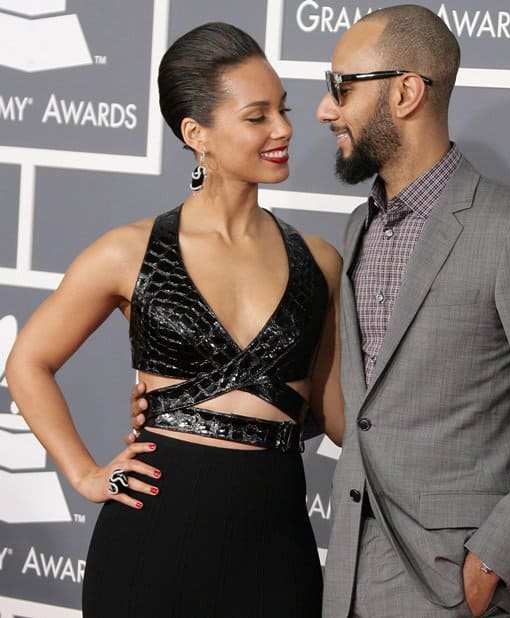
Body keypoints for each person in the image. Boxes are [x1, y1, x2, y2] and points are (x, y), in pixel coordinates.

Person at [128, 6, 510, 618]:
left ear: (406, 92)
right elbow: (356, 409)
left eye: (342, 88)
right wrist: (194, 405)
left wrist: (496, 558)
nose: (324, 110)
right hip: (342, 579)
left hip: (448, 585)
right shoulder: (359, 228)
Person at [6, 22, 343, 618]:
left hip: (276, 545)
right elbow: (28, 362)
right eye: (258, 116)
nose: (284, 129)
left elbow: (333, 414)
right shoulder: (127, 251)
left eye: (283, 111)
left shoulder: (320, 261)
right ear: (197, 134)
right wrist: (85, 475)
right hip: (151, 533)